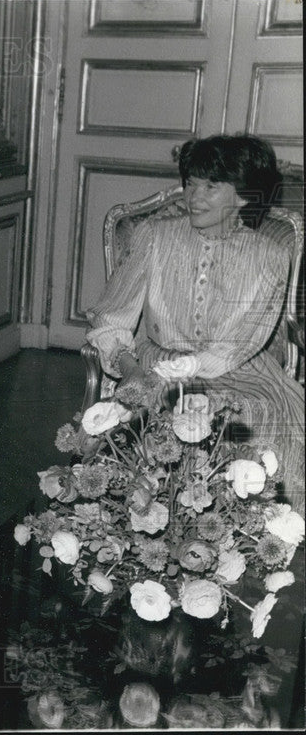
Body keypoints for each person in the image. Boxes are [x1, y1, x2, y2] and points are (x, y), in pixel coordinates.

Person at [86, 133, 305, 513]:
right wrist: (131, 368)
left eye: (211, 185)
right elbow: (111, 317)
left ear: (243, 194)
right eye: (190, 182)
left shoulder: (271, 254)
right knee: (156, 411)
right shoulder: (152, 236)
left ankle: (239, 529)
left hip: (240, 368)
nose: (193, 196)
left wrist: (187, 371)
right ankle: (156, 522)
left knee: (245, 414)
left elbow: (242, 342)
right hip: (153, 362)